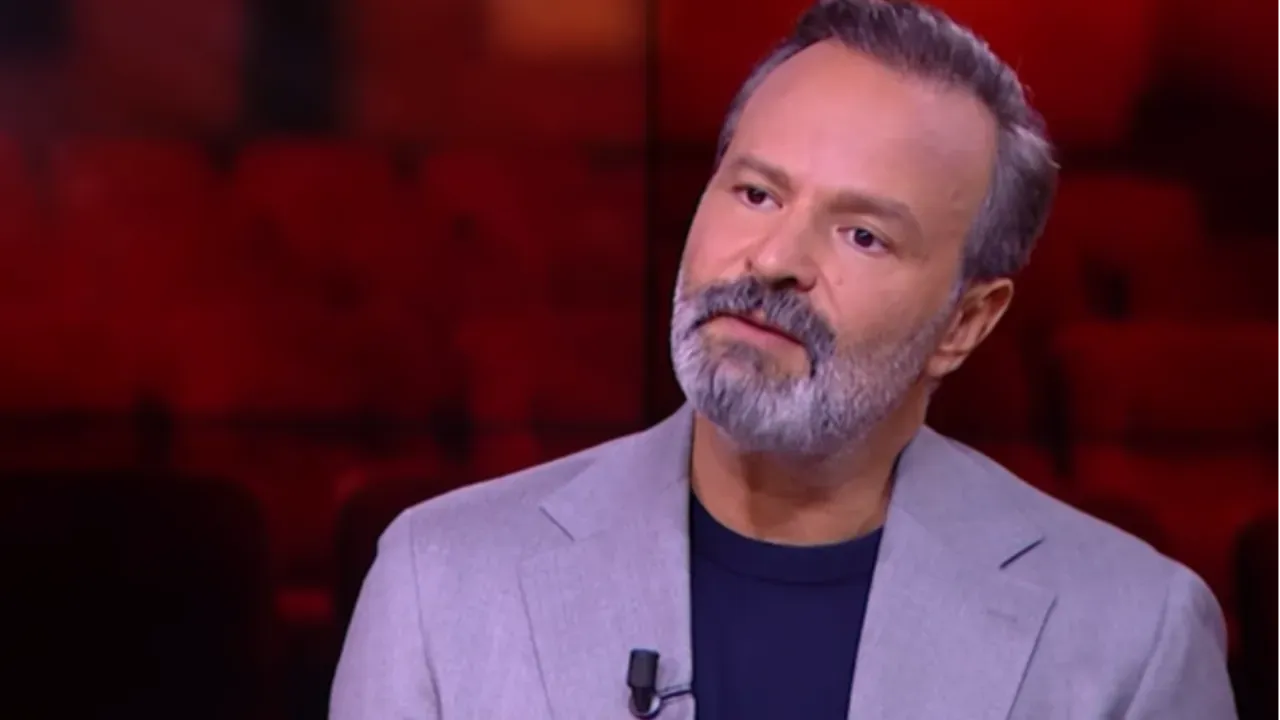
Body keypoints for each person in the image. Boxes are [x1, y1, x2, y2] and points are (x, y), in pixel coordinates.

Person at [330, 0, 1238, 718]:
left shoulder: (1132, 637)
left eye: (862, 234)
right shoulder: (440, 583)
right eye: (756, 193)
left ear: (966, 322)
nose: (772, 260)